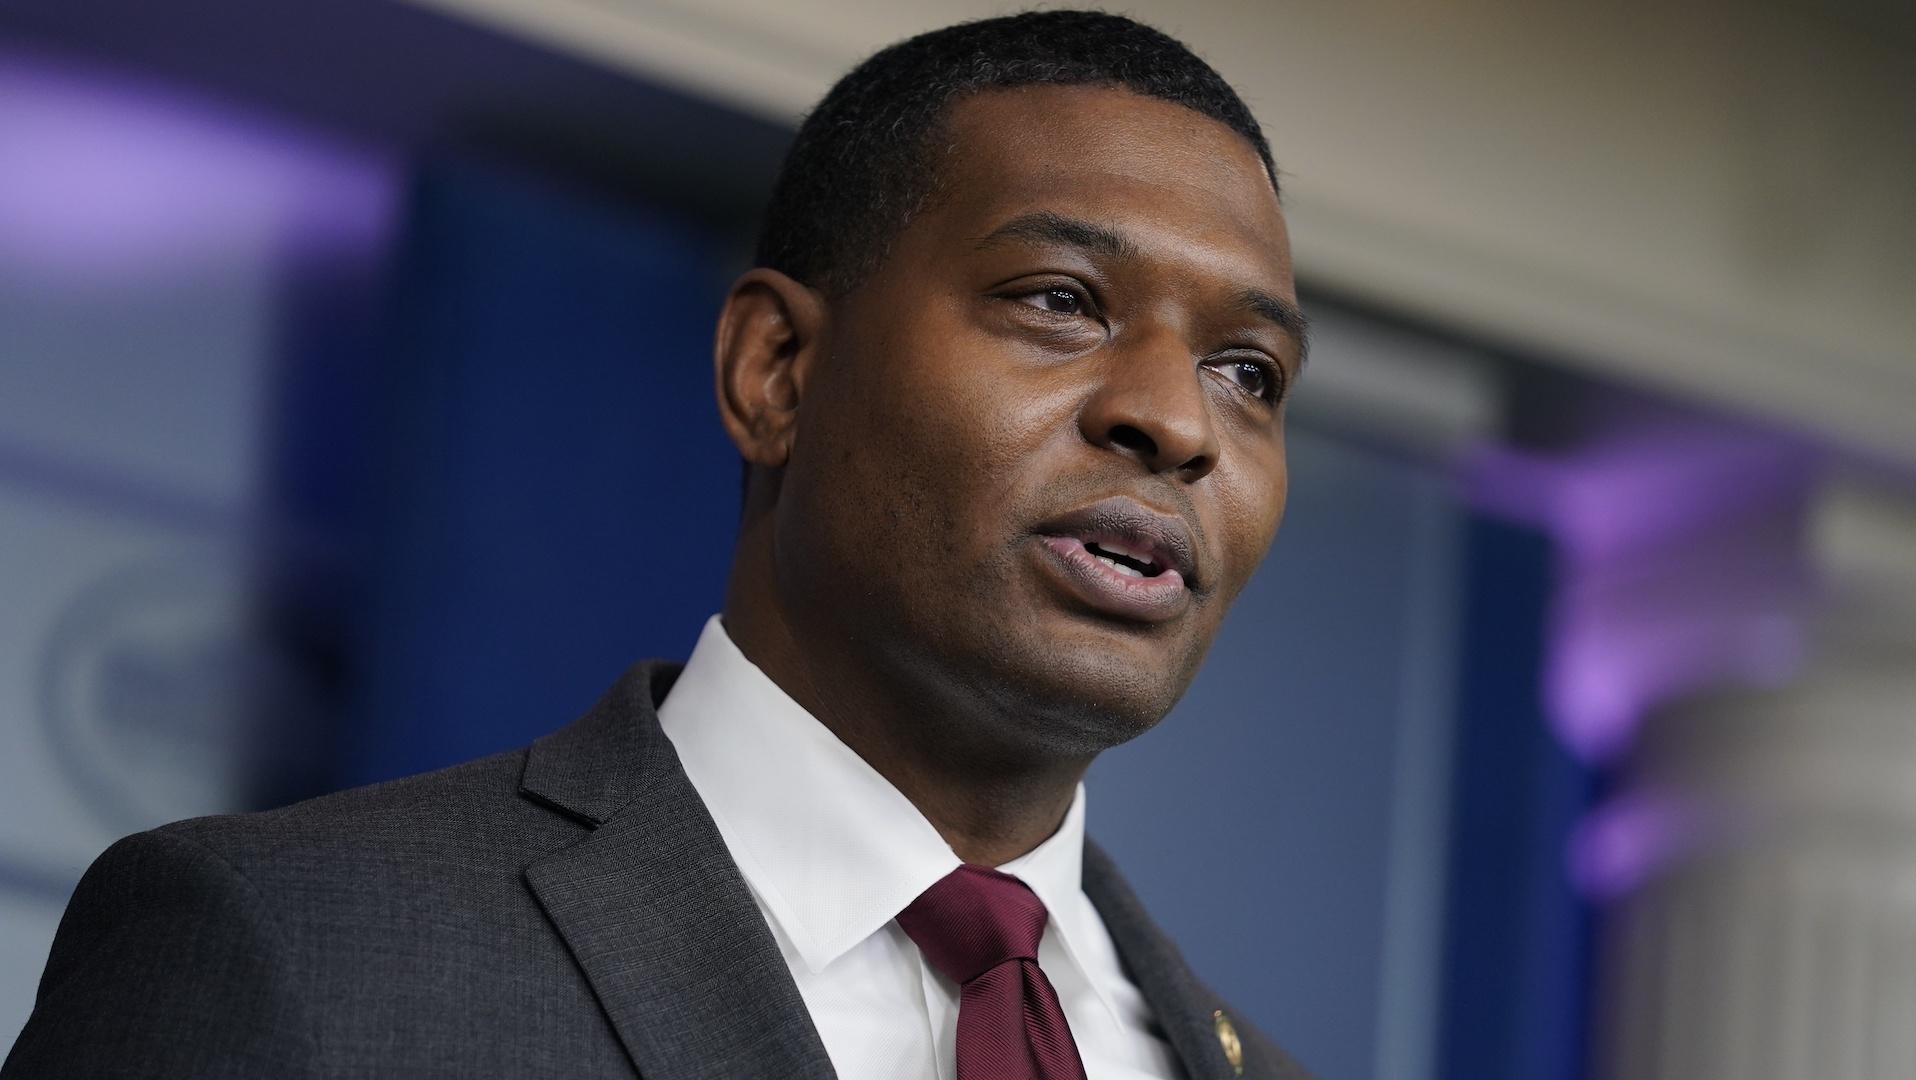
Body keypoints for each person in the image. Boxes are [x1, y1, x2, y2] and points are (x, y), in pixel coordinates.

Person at [6, 10, 1315, 1079]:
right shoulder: (296, 955)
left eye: (1248, 371)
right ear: (776, 372)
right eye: (1060, 300)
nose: (1173, 419)